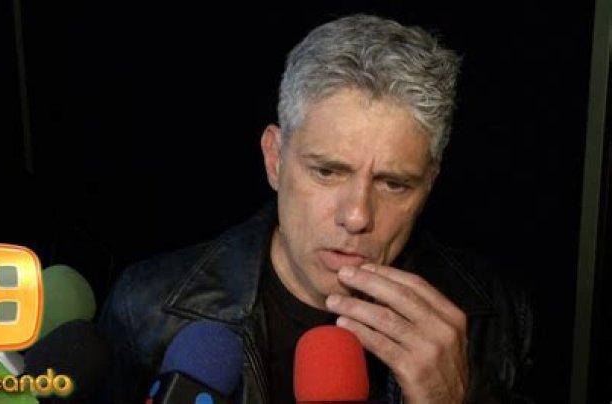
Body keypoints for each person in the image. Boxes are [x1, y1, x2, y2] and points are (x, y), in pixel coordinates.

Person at [99, 13, 533, 403]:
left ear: (429, 184)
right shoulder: (148, 308)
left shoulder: (493, 316)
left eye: (394, 184)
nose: (357, 216)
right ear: (275, 159)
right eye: (328, 172)